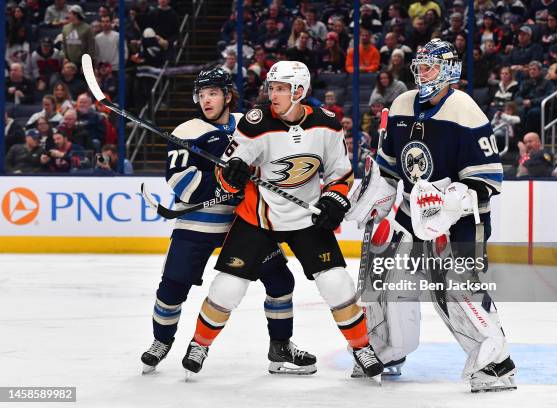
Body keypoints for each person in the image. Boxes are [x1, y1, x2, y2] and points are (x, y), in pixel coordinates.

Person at [180, 61, 384, 380]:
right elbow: (228, 175)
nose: (271, 94)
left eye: (280, 89)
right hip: (258, 218)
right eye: (270, 87)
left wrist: (335, 197)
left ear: (299, 92)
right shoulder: (255, 122)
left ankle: (361, 347)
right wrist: (232, 175)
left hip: (306, 218)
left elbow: (339, 174)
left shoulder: (328, 124)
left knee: (336, 283)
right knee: (227, 288)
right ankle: (199, 344)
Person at [346, 39, 516, 392]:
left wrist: (450, 200)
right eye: (419, 67)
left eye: (430, 67)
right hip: (410, 213)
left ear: (450, 70)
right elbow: (389, 168)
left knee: (457, 288)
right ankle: (388, 351)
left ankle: (496, 363)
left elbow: (488, 179)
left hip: (461, 218)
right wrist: (372, 198)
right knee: (388, 280)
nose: (422, 74)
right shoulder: (402, 104)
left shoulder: (466, 111)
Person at [140, 68, 316, 376]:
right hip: (196, 224)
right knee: (172, 288)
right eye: (202, 94)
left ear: (227, 95)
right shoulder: (187, 130)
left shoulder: (248, 124)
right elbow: (181, 181)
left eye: (213, 93)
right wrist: (225, 183)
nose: (206, 100)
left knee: (280, 281)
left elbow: (271, 162)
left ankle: (280, 346)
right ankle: (161, 341)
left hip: (243, 224)